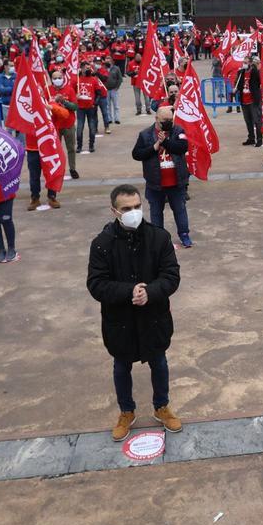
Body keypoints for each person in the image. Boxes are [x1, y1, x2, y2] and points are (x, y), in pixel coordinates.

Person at [87, 184, 183, 438]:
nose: (134, 212)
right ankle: (126, 411)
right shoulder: (102, 244)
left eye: (137, 207)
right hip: (120, 321)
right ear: (114, 211)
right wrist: (129, 291)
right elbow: (96, 284)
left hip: (154, 317)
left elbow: (171, 276)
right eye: (126, 209)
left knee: (159, 363)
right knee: (121, 367)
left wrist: (150, 292)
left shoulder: (159, 237)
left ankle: (161, 406)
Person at [132, 105, 192, 248]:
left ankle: (184, 235)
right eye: (164, 120)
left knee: (180, 210)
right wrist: (155, 147)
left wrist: (165, 142)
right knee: (156, 213)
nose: (168, 122)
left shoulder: (178, 131)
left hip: (176, 182)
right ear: (156, 119)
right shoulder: (145, 134)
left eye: (170, 119)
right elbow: (136, 154)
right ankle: (158, 240)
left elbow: (182, 147)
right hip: (155, 183)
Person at [233, 58, 263, 146]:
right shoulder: (241, 72)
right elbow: (238, 84)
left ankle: (259, 139)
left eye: (246, 62)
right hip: (244, 100)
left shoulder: (255, 72)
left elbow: (260, 81)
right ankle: (251, 138)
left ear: (250, 63)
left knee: (257, 120)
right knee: (248, 121)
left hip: (253, 100)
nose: (244, 64)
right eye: (243, 62)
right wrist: (235, 88)